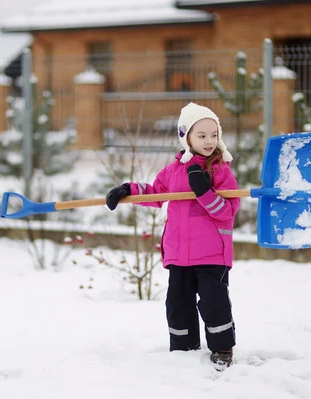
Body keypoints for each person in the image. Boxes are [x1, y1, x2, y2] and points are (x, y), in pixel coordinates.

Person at [105, 102, 240, 371]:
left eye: (214, 135)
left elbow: (227, 212)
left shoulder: (219, 170)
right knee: (177, 302)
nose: (209, 141)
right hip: (179, 252)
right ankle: (183, 348)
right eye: (201, 135)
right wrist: (127, 190)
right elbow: (155, 192)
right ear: (186, 137)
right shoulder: (174, 169)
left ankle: (222, 348)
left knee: (214, 301)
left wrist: (204, 191)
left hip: (212, 252)